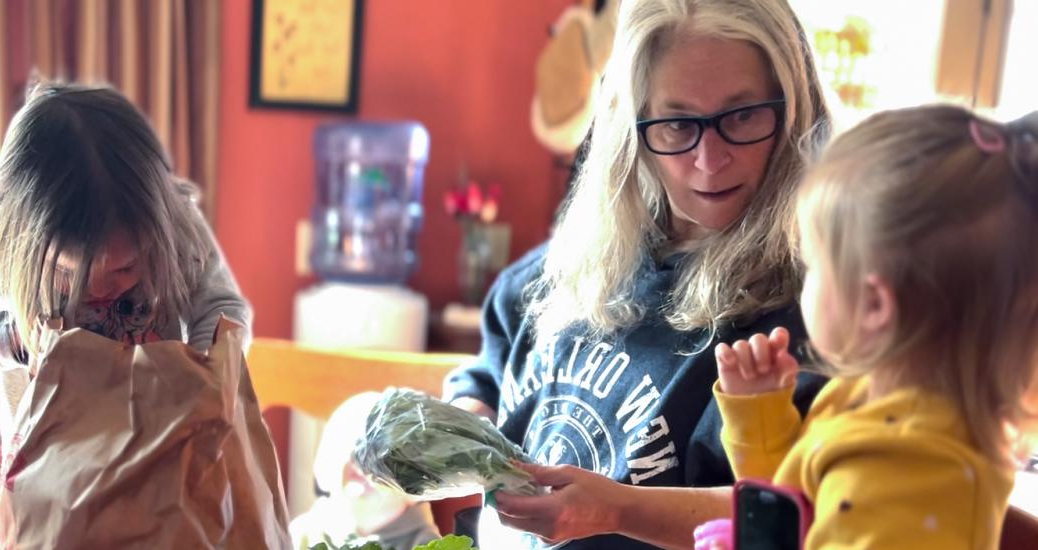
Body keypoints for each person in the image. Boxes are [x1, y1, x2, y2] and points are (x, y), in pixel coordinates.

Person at [442, 0, 833, 547]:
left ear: (795, 112)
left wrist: (616, 509)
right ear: (631, 130)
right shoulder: (579, 262)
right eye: (676, 123)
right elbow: (487, 375)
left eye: (742, 116)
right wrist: (458, 426)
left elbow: (798, 516)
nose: (709, 159)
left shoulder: (815, 313)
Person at [702, 106, 1038, 548]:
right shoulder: (868, 396)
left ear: (874, 303)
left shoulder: (911, 472)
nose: (804, 284)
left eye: (813, 266)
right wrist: (760, 413)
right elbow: (805, 503)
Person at [0, 82, 251, 448]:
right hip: (43, 480)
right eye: (68, 273)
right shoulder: (3, 234)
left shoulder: (176, 225)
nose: (97, 290)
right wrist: (7, 340)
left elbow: (222, 307)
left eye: (124, 269)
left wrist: (205, 368)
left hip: (160, 468)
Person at [289, 392, 441, 550]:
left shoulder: (427, 545)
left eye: (384, 458)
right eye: (354, 448)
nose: (363, 466)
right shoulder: (304, 532)